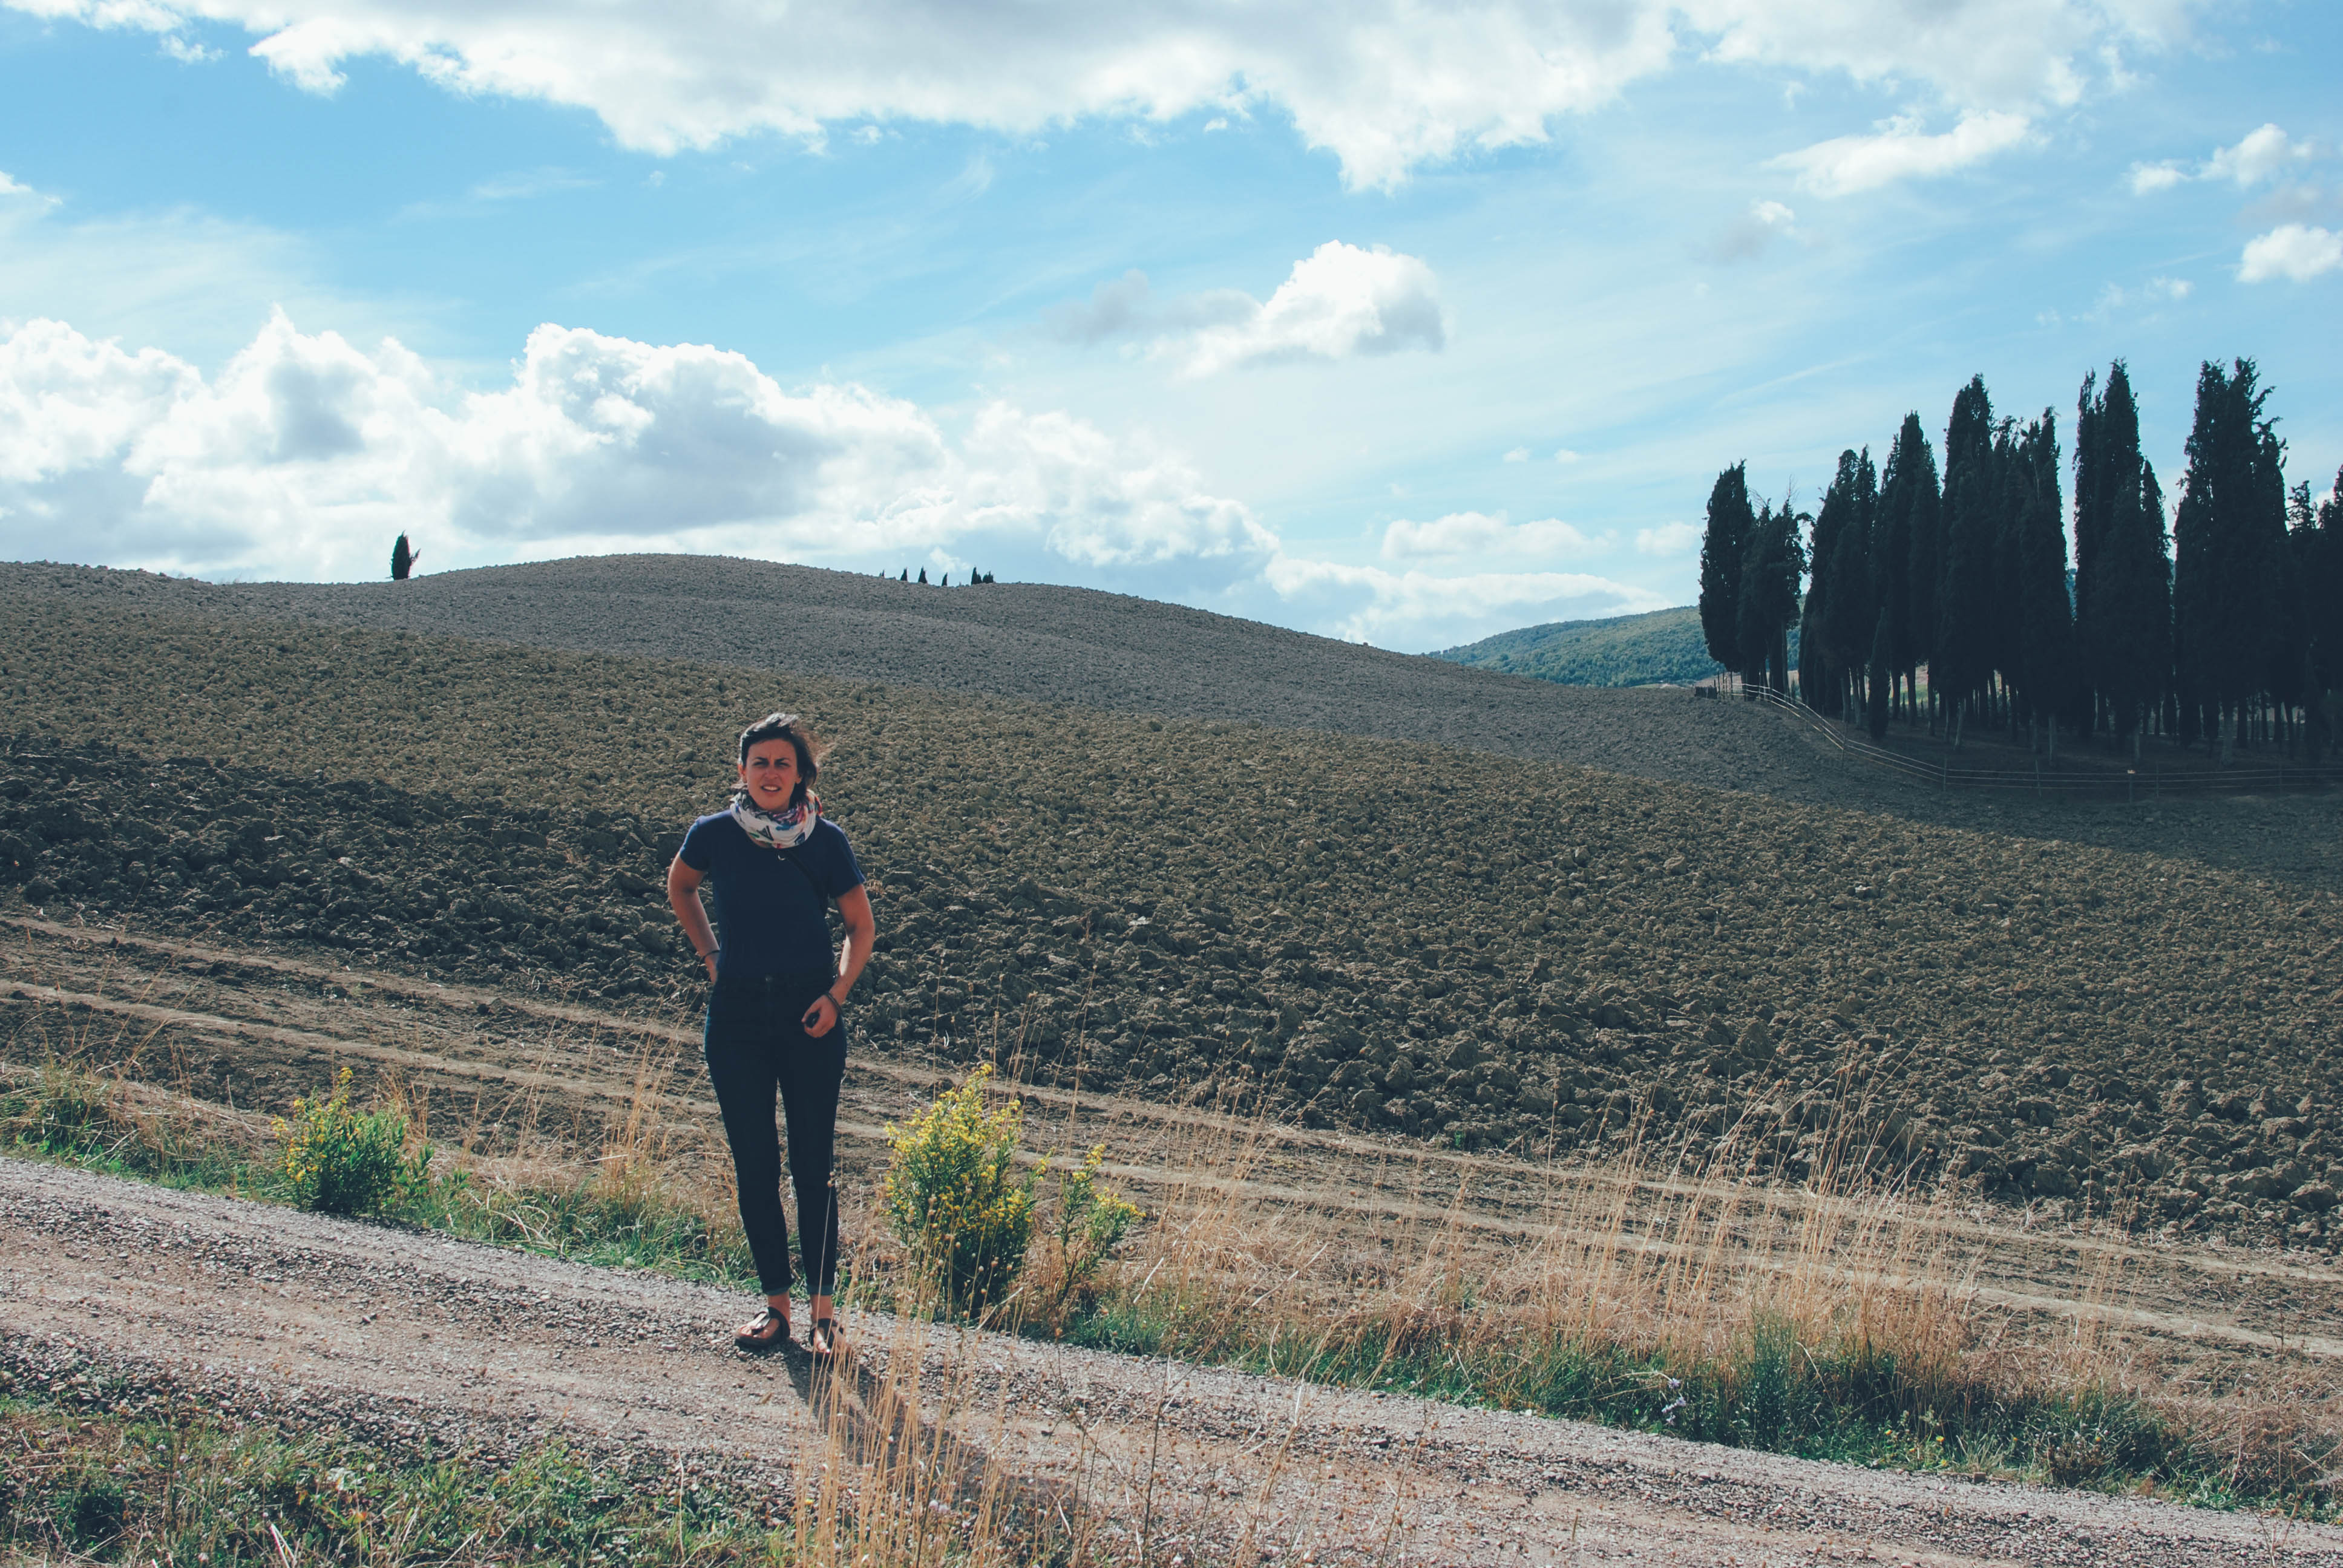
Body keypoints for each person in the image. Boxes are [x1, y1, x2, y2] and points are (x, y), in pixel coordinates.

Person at [667, 711, 875, 1357]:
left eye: (783, 762)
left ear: (800, 773)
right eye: (759, 762)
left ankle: (824, 1316)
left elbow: (860, 927)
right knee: (754, 1164)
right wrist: (711, 957)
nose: (770, 772)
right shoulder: (713, 834)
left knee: (813, 1167)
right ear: (742, 771)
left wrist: (836, 996)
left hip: (809, 1016)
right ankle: (775, 1309)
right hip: (735, 1017)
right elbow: (680, 887)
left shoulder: (825, 841)